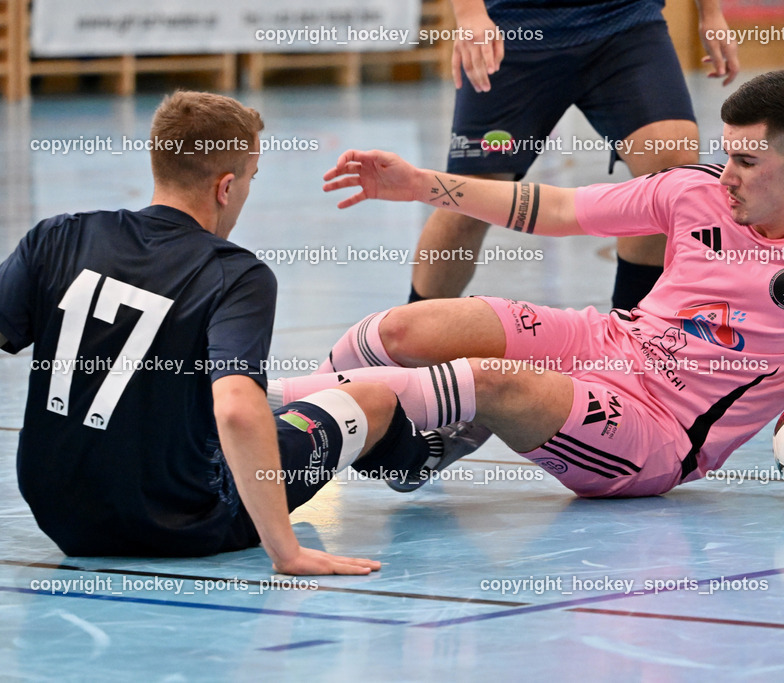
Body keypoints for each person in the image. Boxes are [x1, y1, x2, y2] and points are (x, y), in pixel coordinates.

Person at [282, 70, 784, 508]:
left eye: (747, 159)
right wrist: (420, 185)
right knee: (404, 331)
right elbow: (560, 210)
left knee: (490, 382)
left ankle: (265, 423)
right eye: (727, 154)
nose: (726, 173)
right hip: (608, 341)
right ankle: (351, 432)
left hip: (659, 434)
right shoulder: (695, 191)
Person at [0, 91, 479, 575]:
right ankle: (421, 456)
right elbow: (234, 409)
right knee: (372, 397)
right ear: (225, 187)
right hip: (189, 521)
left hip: (60, 516)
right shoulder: (235, 274)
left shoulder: (57, 236)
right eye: (252, 178)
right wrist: (286, 552)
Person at [408, 0, 740, 310]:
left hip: (624, 20)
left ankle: (631, 337)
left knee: (669, 173)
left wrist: (710, 12)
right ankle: (406, 339)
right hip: (514, 25)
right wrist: (469, 15)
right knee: (468, 196)